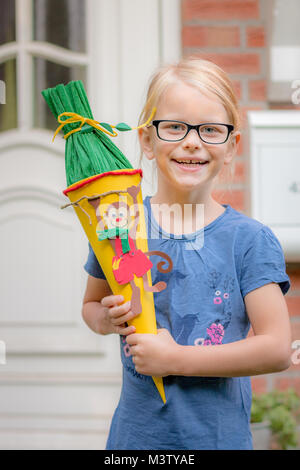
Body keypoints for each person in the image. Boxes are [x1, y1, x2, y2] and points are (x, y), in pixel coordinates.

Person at [82, 58, 291, 450]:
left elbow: (277, 348)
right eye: (175, 127)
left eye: (210, 130)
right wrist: (107, 319)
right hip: (134, 442)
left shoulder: (248, 240)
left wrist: (175, 359)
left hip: (217, 441)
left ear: (231, 147)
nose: (192, 141)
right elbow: (91, 308)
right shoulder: (121, 226)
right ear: (147, 140)